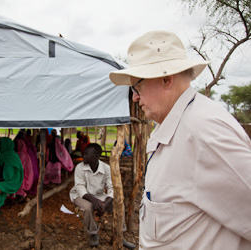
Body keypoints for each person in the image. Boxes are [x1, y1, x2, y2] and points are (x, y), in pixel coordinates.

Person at [109, 30, 251, 249]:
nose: (135, 97)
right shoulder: (175, 126)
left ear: (166, 79)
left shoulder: (203, 132)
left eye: (137, 86)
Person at [69, 143, 136, 249]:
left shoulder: (106, 168)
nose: (84, 156)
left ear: (96, 157)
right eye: (84, 153)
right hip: (80, 196)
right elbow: (80, 189)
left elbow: (112, 188)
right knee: (87, 207)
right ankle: (93, 233)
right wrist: (95, 201)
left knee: (119, 205)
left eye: (87, 154)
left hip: (99, 195)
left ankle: (119, 235)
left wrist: (105, 204)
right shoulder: (79, 168)